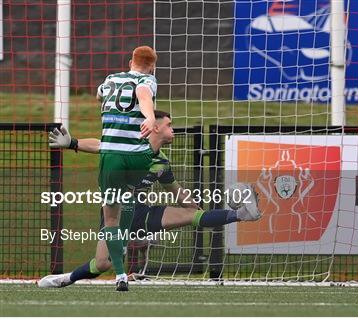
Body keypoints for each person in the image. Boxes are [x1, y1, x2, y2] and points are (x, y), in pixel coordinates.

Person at [38, 110, 260, 289]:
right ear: (155, 127)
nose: (172, 129)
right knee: (101, 264)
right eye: (169, 125)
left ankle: (242, 214)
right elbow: (100, 144)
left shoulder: (162, 161)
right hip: (115, 211)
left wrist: (197, 209)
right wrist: (72, 143)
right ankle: (66, 279)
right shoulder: (131, 147)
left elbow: (175, 190)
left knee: (190, 215)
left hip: (141, 212)